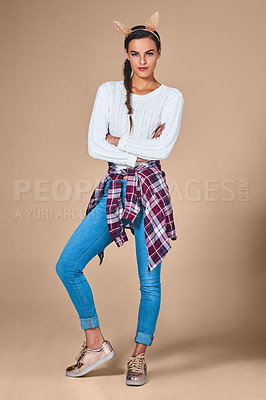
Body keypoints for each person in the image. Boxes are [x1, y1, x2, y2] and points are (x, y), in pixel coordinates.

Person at [55, 11, 184, 386]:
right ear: (126, 55)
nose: (142, 61)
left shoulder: (171, 97)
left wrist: (120, 142)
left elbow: (165, 148)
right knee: (68, 265)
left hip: (151, 191)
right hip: (115, 188)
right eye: (134, 53)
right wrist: (140, 150)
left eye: (149, 53)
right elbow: (95, 146)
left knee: (149, 283)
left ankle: (139, 357)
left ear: (158, 54)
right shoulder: (109, 91)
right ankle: (95, 345)